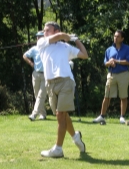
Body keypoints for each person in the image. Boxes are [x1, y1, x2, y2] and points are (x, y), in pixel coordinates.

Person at [37, 21, 88, 158]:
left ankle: (58, 149)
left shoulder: (66, 47)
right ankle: (75, 136)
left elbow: (84, 55)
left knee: (60, 115)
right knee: (63, 116)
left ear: (56, 30)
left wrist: (75, 40)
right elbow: (59, 36)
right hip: (50, 83)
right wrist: (67, 36)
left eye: (48, 30)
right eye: (44, 30)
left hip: (66, 81)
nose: (44, 32)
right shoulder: (42, 42)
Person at [93, 30, 129, 124]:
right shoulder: (109, 49)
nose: (115, 38)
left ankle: (122, 117)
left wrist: (116, 61)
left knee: (123, 96)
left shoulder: (128, 49)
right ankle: (102, 116)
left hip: (123, 74)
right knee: (107, 95)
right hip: (111, 74)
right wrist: (110, 63)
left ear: (122, 38)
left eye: (118, 36)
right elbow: (105, 63)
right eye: (115, 36)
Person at [23, 31, 48, 121]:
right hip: (36, 74)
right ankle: (43, 114)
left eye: (40, 37)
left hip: (46, 75)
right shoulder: (34, 49)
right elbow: (25, 55)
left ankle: (34, 114)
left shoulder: (48, 48)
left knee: (41, 95)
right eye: (37, 37)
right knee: (37, 95)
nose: (38, 38)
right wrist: (30, 63)